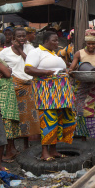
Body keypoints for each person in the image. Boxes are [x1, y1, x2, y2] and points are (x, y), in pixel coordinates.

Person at [24, 29, 76, 161]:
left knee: (59, 119)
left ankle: (53, 150)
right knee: (48, 120)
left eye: (57, 40)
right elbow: (28, 69)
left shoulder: (54, 53)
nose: (57, 43)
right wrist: (47, 72)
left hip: (60, 93)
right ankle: (44, 152)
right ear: (46, 41)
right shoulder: (36, 52)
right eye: (54, 40)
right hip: (46, 93)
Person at [0, 27, 40, 146]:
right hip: (15, 86)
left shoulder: (29, 48)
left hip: (29, 86)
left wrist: (19, 49)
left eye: (23, 36)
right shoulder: (5, 52)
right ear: (13, 38)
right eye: (19, 36)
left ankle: (27, 145)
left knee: (29, 117)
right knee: (17, 116)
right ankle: (13, 145)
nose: (22, 38)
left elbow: (30, 63)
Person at [69, 28, 95, 144]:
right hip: (83, 86)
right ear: (85, 43)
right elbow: (72, 68)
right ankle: (83, 137)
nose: (91, 46)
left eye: (93, 44)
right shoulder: (79, 53)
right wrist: (72, 71)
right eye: (89, 44)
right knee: (82, 112)